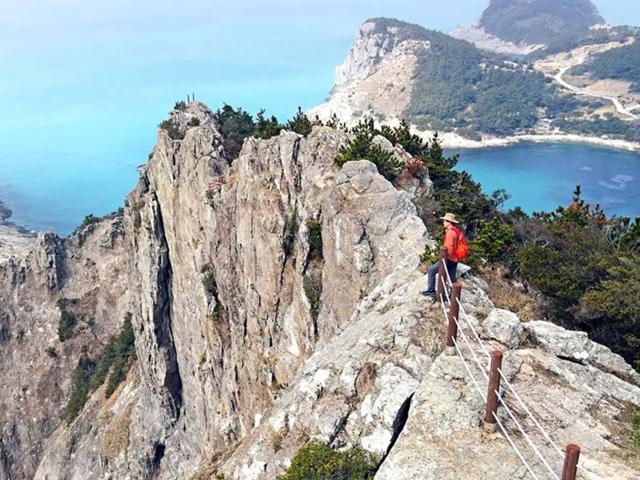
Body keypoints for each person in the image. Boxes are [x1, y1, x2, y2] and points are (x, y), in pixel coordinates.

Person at [422, 213, 466, 302]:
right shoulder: (456, 231)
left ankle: (431, 291)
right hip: (455, 259)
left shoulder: (450, 233)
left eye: (444, 221)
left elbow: (448, 248)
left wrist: (444, 258)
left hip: (448, 259)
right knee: (451, 278)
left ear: (449, 222)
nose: (443, 222)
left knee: (431, 271)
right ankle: (452, 297)